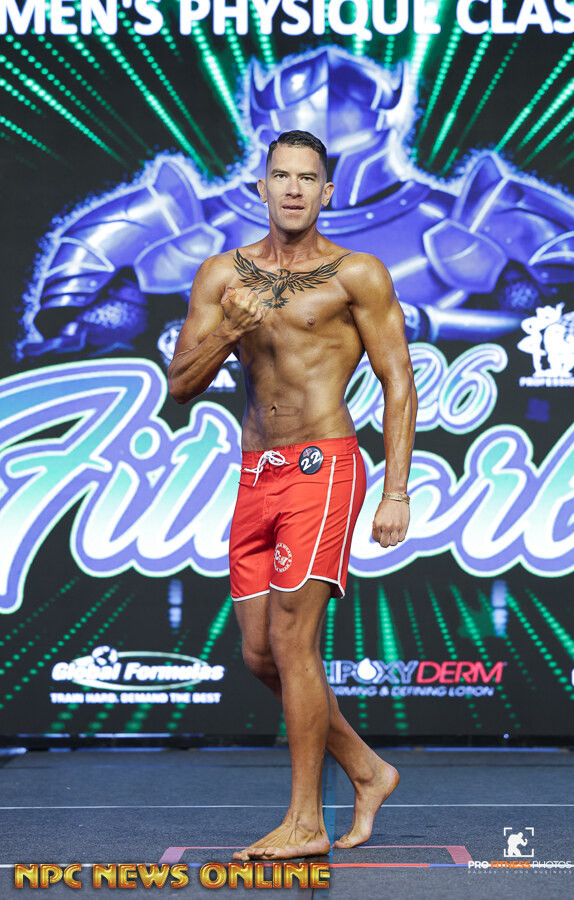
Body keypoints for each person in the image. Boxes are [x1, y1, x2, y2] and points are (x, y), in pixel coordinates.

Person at [168, 130, 417, 861]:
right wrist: (230, 331)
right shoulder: (223, 275)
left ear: (327, 192)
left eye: (308, 178)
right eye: (282, 176)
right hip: (256, 473)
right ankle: (367, 770)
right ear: (262, 187)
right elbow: (180, 385)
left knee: (291, 640)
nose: (294, 189)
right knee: (258, 654)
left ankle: (306, 822)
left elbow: (398, 381)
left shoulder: (357, 273)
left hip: (324, 465)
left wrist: (396, 489)